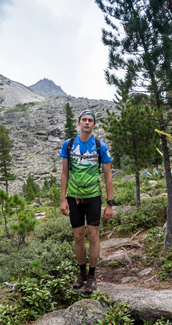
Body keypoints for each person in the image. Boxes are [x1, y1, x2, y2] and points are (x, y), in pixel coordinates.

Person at [60, 109, 114, 294]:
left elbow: (108, 176)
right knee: (77, 237)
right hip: (73, 198)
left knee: (93, 236)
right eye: (84, 119)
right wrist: (62, 199)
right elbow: (64, 172)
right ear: (78, 122)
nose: (87, 123)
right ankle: (82, 274)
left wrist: (109, 203)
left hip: (93, 197)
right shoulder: (69, 144)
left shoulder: (100, 146)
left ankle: (92, 275)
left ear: (94, 124)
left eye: (90, 120)